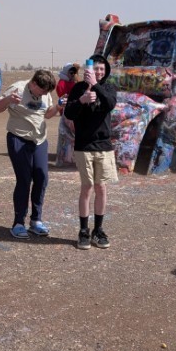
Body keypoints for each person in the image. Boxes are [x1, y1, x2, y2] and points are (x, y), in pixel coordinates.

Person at [0, 69, 58, 239]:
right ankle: (18, 223)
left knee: (42, 178)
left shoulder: (45, 93)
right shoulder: (18, 88)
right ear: (34, 83)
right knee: (24, 179)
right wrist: (8, 100)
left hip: (39, 141)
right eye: (42, 91)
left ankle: (36, 221)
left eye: (47, 92)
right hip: (18, 139)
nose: (44, 94)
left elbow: (48, 114)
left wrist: (58, 107)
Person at [64, 54, 118, 250]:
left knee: (101, 188)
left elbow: (110, 104)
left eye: (102, 69)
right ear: (89, 69)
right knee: (86, 188)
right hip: (84, 146)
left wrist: (95, 85)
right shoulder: (78, 88)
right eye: (96, 68)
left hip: (103, 146)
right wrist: (82, 100)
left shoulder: (108, 88)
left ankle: (99, 230)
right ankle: (84, 231)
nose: (99, 72)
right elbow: (69, 113)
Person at [55, 63, 81, 166]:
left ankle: (71, 157)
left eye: (74, 72)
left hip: (74, 112)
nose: (72, 74)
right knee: (65, 136)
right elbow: (63, 96)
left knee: (72, 137)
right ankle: (63, 158)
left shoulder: (73, 81)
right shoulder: (62, 83)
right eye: (71, 72)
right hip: (66, 112)